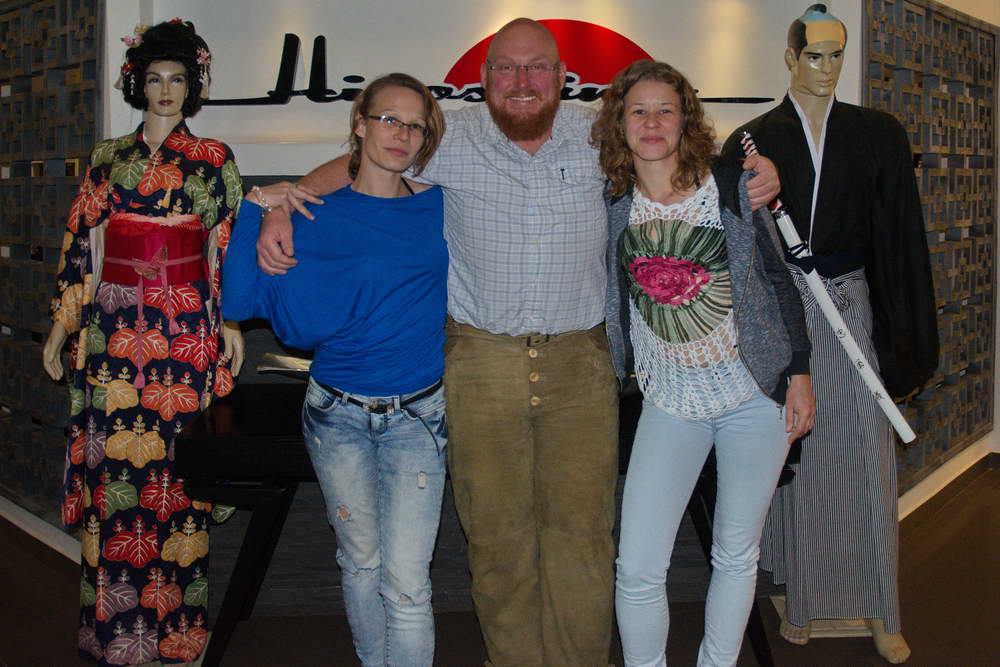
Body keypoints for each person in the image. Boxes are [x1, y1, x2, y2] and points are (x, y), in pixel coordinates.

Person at [255, 19, 781, 666]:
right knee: (496, 537)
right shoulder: (448, 136)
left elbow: (676, 146)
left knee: (583, 537)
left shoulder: (599, 133)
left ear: (562, 76)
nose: (522, 81)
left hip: (580, 364)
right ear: (485, 78)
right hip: (481, 362)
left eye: (537, 67)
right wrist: (286, 202)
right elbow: (362, 162)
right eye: (506, 67)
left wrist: (754, 171)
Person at [721, 5, 938, 663]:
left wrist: (905, 336)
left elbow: (899, 236)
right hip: (781, 311)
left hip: (849, 304)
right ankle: (805, 596)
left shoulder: (878, 134)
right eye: (814, 54)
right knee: (799, 458)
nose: (826, 67)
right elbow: (735, 244)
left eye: (836, 54)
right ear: (791, 57)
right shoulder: (751, 139)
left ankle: (879, 604)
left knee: (867, 458)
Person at [221, 73, 447, 667]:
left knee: (408, 583)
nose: (402, 134)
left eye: (415, 125)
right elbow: (238, 300)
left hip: (418, 418)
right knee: (361, 564)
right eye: (389, 119)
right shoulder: (311, 214)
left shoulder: (439, 206)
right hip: (336, 416)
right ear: (361, 124)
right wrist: (258, 206)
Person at [595, 59, 814, 666]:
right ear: (619, 123)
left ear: (685, 119)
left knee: (736, 554)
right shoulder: (610, 201)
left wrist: (799, 372)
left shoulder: (731, 187)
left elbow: (779, 279)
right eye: (638, 110)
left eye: (665, 109)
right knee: (637, 565)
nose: (652, 122)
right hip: (669, 401)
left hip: (755, 396)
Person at [42, 19, 245, 666]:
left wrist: (232, 321)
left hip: (183, 329)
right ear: (138, 84)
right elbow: (82, 243)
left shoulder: (213, 158)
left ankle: (179, 631)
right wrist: (62, 324)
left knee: (177, 477)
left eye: (177, 79)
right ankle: (112, 633)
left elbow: (227, 246)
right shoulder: (107, 157)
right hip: (114, 326)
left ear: (192, 86)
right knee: (116, 476)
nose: (165, 90)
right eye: (154, 78)